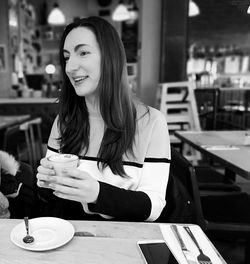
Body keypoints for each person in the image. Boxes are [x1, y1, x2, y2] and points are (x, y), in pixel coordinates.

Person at [36, 16, 170, 221]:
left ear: (110, 57)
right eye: (66, 57)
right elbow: (54, 202)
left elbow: (153, 207)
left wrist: (98, 194)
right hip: (71, 240)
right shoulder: (64, 122)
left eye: (83, 53)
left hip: (125, 241)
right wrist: (46, 183)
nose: (70, 67)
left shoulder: (150, 122)